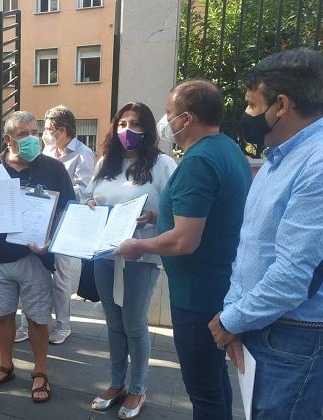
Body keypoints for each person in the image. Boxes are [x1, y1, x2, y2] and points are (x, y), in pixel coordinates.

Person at [115, 80, 251, 420]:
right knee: (215, 379)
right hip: (218, 284)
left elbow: (184, 240)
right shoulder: (227, 149)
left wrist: (138, 245)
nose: (166, 120)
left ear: (186, 119)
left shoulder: (198, 161)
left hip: (197, 296)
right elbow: (208, 214)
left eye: (169, 113)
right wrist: (159, 215)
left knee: (202, 390)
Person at [208, 48, 323, 419]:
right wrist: (237, 315)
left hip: (295, 337)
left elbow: (292, 277)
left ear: (281, 105)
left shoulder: (317, 164)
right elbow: (254, 249)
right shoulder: (279, 156)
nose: (247, 115)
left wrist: (230, 321)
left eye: (253, 104)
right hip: (264, 326)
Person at [0, 111, 75, 403]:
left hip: (35, 259)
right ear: (7, 139)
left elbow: (68, 210)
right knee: (3, 318)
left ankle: (40, 372)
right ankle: (5, 366)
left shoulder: (53, 169)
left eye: (34, 131)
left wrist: (51, 240)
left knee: (38, 319)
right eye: (23, 134)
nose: (31, 139)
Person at [84, 102, 177, 418]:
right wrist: (90, 203)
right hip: (105, 253)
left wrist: (154, 214)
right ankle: (116, 383)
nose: (127, 130)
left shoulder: (163, 164)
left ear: (148, 129)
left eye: (135, 124)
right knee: (113, 323)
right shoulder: (105, 164)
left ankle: (137, 389)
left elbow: (178, 209)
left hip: (140, 255)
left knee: (134, 324)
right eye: (122, 123)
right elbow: (89, 197)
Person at [16, 105, 95, 345]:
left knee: (61, 276)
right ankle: (26, 324)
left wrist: (57, 192)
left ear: (62, 130)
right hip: (40, 219)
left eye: (48, 129)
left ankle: (62, 325)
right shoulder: (47, 151)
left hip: (64, 221)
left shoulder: (83, 154)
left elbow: (85, 190)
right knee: (30, 272)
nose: (43, 135)